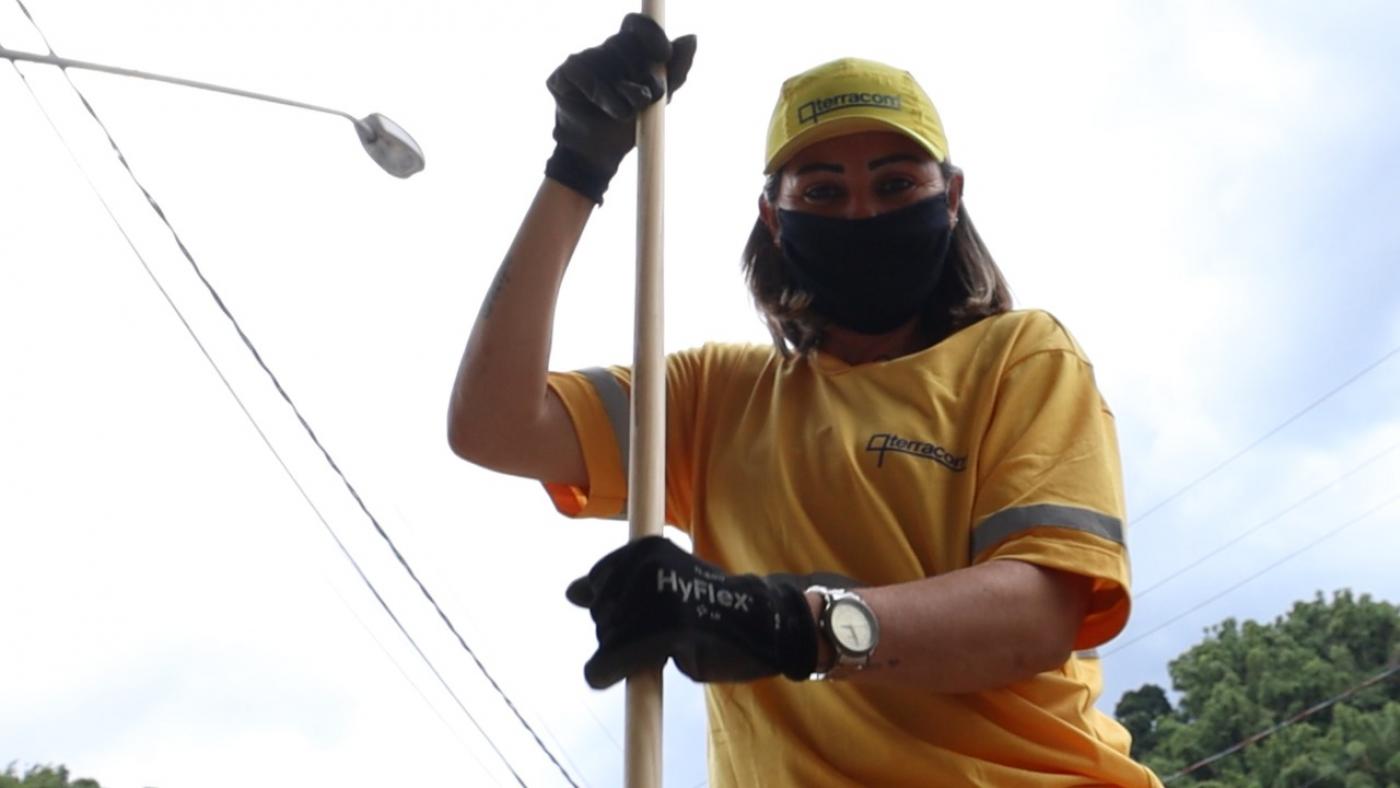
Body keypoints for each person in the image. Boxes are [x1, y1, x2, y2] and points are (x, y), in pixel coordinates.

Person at [448, 14, 1163, 788]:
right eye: (823, 191)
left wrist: (781, 622)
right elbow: (493, 423)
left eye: (896, 184)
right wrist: (576, 168)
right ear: (774, 220)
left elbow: (1036, 617)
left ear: (950, 198)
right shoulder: (713, 399)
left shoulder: (1020, 358)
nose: (862, 212)